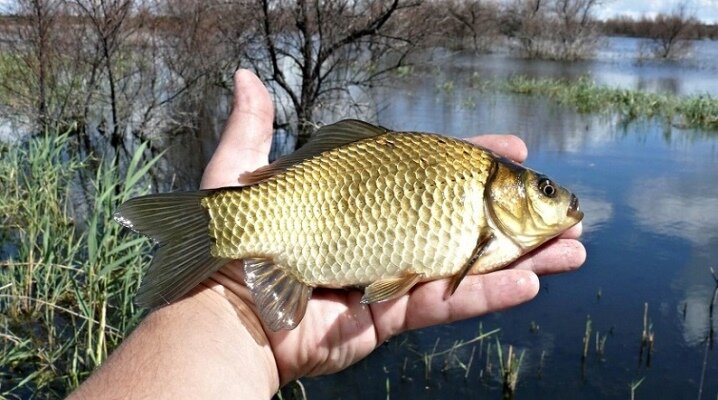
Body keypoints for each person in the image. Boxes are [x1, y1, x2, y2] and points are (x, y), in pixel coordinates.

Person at [69, 69, 585, 399]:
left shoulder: (484, 207)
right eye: (543, 189)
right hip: (307, 215)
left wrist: (223, 320)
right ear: (507, 189)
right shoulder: (475, 190)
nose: (558, 201)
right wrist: (229, 304)